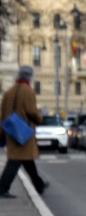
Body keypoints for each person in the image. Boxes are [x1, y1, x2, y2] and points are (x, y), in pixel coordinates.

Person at [0, 65, 47, 198]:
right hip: (23, 131)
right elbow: (31, 111)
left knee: (26, 159)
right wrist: (39, 118)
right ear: (29, 77)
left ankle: (39, 184)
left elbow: (2, 114)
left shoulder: (9, 92)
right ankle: (2, 188)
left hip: (10, 130)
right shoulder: (28, 91)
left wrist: (2, 132)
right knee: (15, 160)